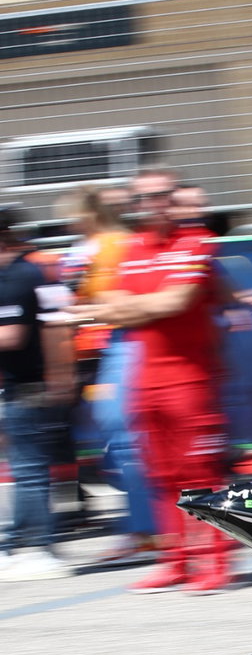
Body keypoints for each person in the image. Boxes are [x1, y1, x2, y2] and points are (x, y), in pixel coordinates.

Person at [73, 169, 234, 593]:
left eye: (162, 195)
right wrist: (147, 305)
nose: (154, 204)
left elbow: (176, 300)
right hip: (144, 380)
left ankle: (214, 559)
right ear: (133, 204)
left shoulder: (195, 242)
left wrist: (135, 306)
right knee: (159, 474)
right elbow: (106, 306)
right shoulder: (129, 249)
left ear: (173, 198)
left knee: (200, 473)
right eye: (144, 197)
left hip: (190, 380)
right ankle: (176, 559)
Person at [56, 184, 156, 564]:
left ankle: (149, 528)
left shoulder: (110, 246)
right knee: (118, 437)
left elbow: (98, 300)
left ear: (86, 215)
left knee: (123, 436)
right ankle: (145, 526)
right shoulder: (97, 247)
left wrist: (79, 313)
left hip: (118, 343)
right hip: (102, 346)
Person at [0, 206, 76, 581]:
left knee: (30, 473)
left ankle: (40, 548)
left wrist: (60, 376)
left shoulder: (17, 277)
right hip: (27, 386)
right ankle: (13, 545)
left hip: (28, 388)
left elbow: (11, 336)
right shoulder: (22, 273)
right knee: (25, 471)